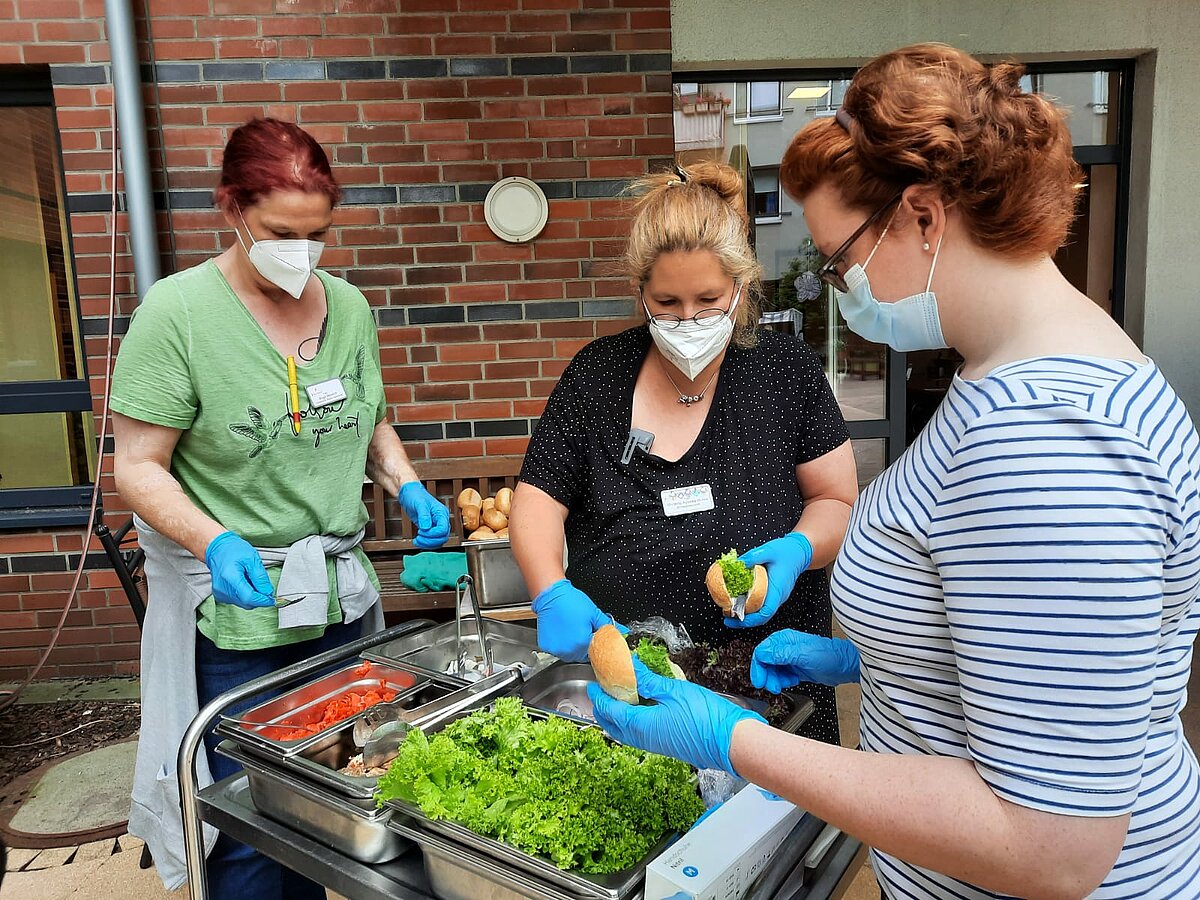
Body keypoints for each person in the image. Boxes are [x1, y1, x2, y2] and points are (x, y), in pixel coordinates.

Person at [587, 44, 1200, 899]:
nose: (839, 284)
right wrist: (868, 661)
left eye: (838, 261)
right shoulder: (1037, 370)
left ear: (923, 217)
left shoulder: (1044, 440)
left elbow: (1051, 846)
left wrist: (732, 740)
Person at [110, 117, 449, 898]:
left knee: (338, 803)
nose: (300, 252)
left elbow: (370, 418)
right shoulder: (178, 315)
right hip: (239, 616)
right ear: (231, 207)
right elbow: (138, 467)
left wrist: (406, 481)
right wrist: (214, 537)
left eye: (317, 233)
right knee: (250, 831)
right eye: (279, 232)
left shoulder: (350, 309)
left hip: (336, 608)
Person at [511, 160, 859, 744]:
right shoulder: (597, 376)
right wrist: (549, 587)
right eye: (667, 302)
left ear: (741, 288)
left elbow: (835, 498)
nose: (689, 319)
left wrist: (800, 549)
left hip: (770, 690)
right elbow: (537, 500)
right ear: (641, 293)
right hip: (633, 692)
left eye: (708, 298)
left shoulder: (787, 372)